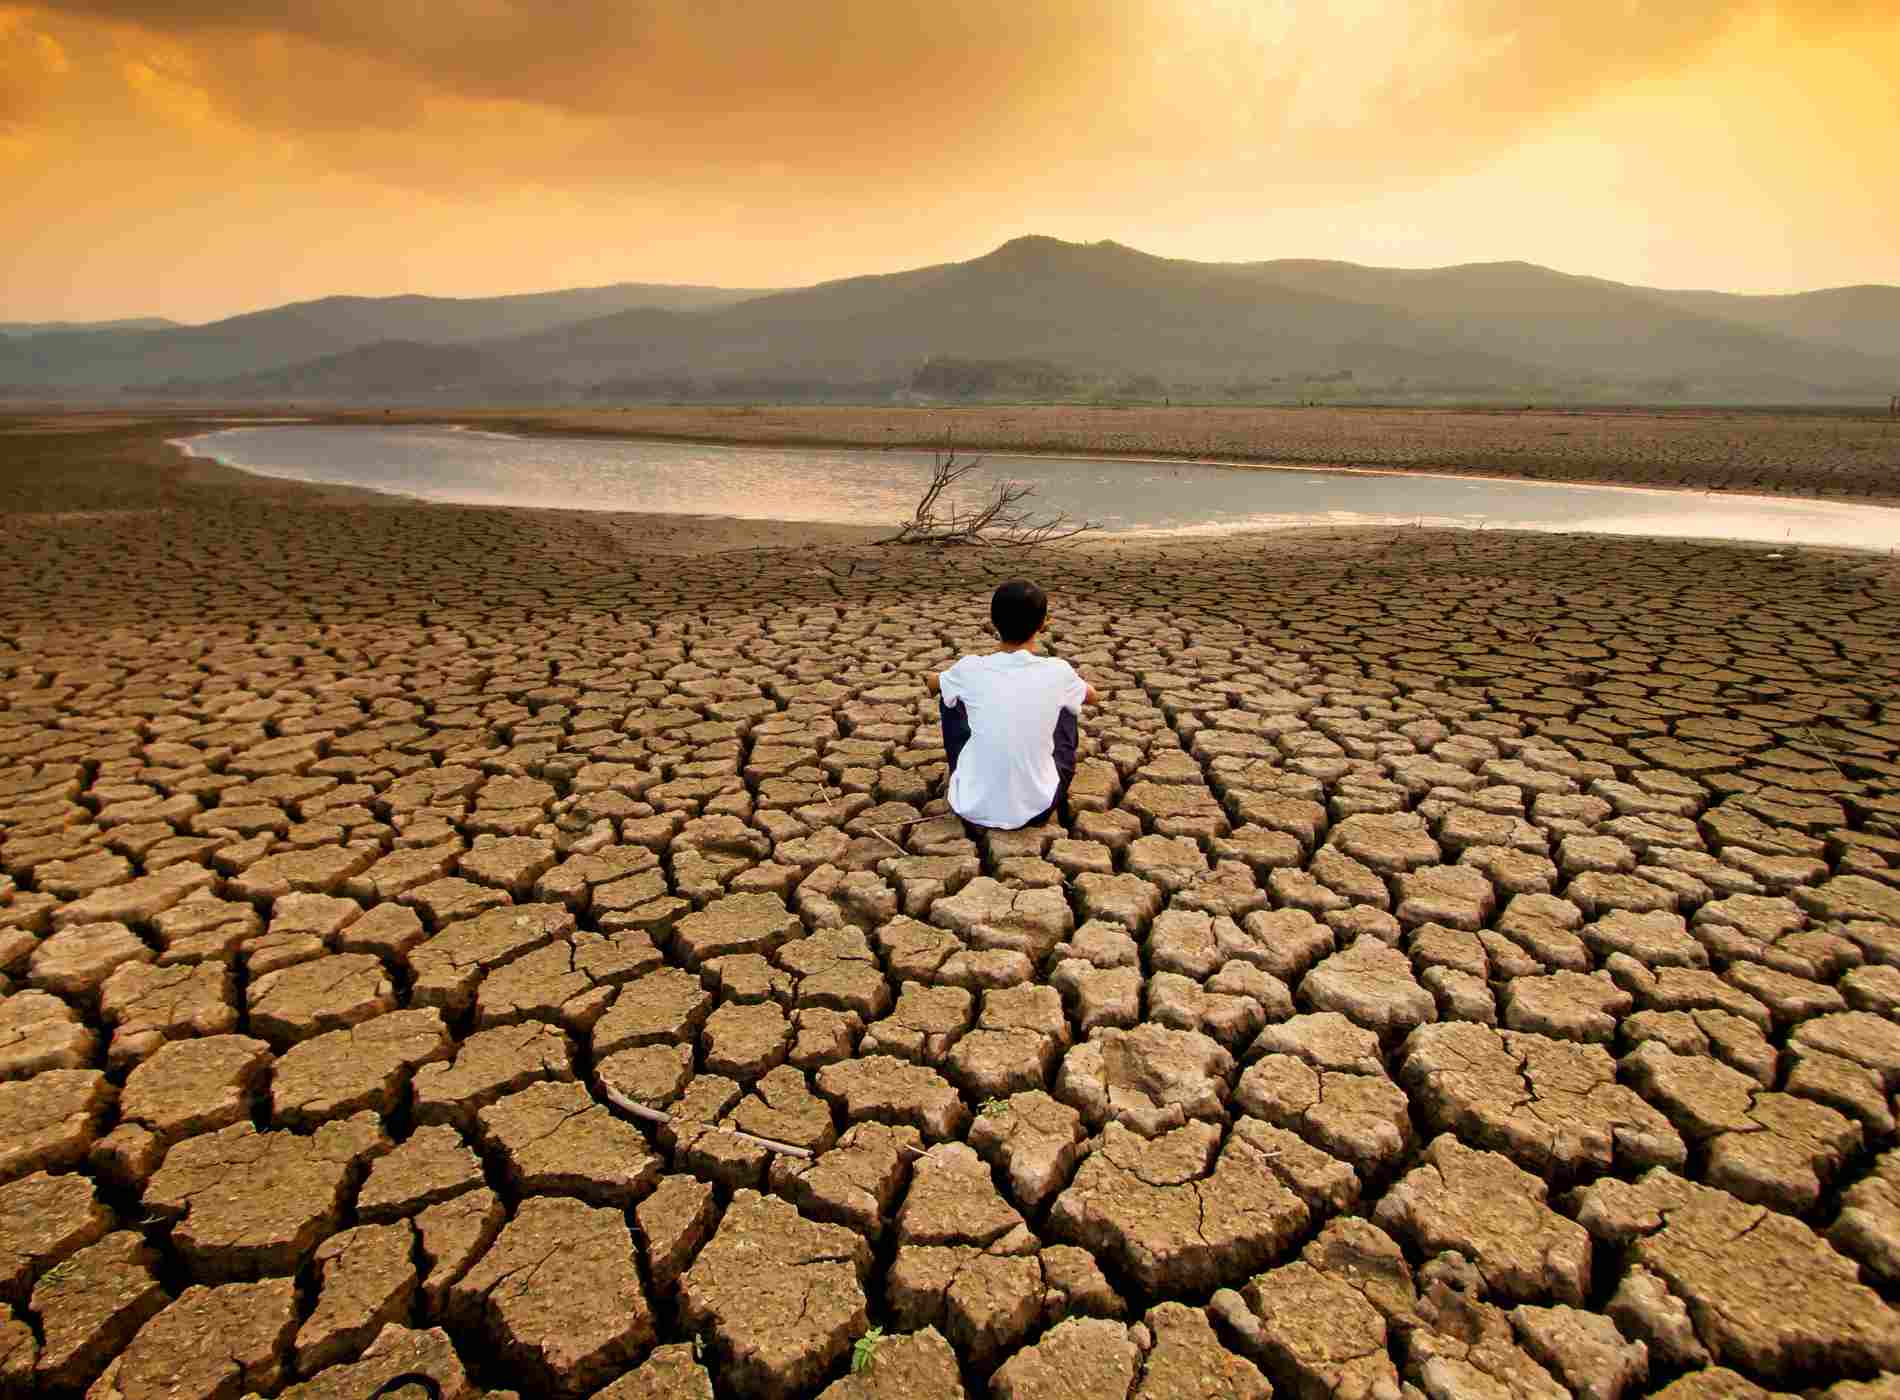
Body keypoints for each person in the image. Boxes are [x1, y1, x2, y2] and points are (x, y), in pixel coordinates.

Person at [929, 579, 1097, 833]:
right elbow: (1092, 695)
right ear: (1042, 624)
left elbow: (933, 683)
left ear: (993, 622)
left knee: (948, 694)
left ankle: (968, 770)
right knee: (1068, 702)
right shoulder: (1058, 671)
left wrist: (941, 681)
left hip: (970, 804)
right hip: (1040, 806)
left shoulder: (970, 668)